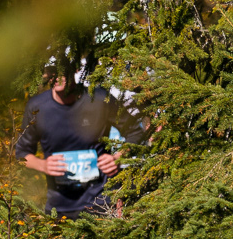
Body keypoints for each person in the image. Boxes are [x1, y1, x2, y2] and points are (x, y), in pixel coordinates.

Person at [13, 49, 143, 218]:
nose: (56, 76)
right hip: (60, 206)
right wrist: (43, 165)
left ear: (75, 68)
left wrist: (118, 158)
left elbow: (136, 132)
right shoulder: (37, 107)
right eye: (51, 71)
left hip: (101, 201)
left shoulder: (99, 99)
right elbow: (21, 153)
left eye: (62, 69)